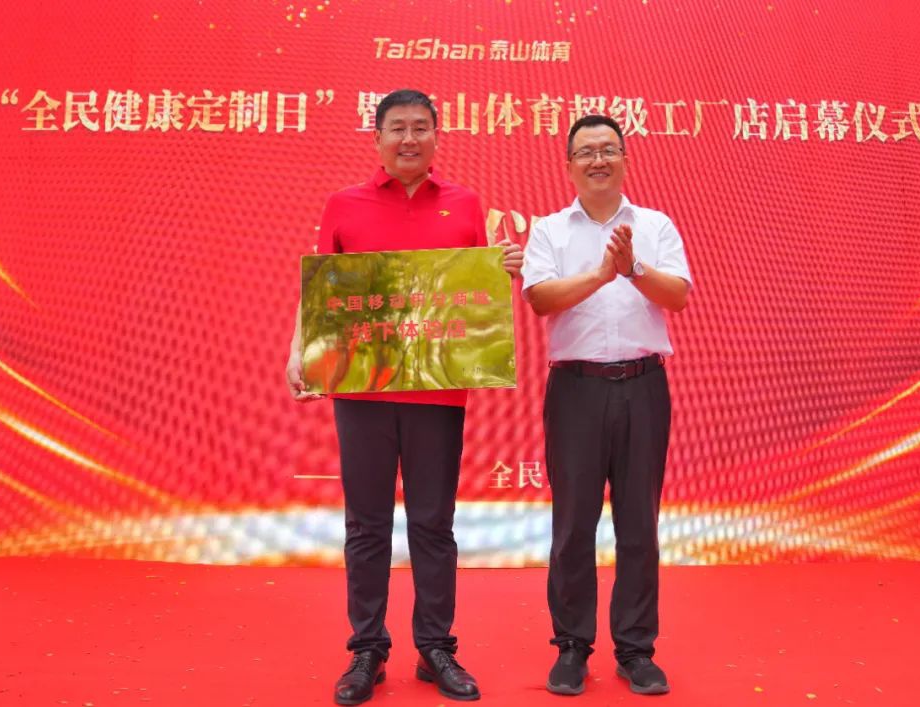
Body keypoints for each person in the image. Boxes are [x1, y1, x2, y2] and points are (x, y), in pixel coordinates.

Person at [286, 88, 523, 705]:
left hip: (438, 391)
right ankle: (367, 648)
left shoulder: (465, 204)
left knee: (432, 523)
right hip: (363, 389)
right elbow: (321, 292)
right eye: (398, 128)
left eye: (421, 127)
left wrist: (502, 270)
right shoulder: (344, 204)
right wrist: (298, 350)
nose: (409, 138)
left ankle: (436, 646)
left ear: (437, 137)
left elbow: (474, 297)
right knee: (366, 523)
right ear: (377, 138)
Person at [520, 114, 692, 696]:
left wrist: (633, 268)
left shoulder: (655, 225)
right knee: (573, 525)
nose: (599, 160)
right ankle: (572, 646)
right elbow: (541, 299)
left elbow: (679, 295)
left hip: (644, 386)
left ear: (625, 159)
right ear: (568, 165)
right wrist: (601, 274)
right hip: (576, 389)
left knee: (639, 523)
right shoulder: (550, 230)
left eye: (609, 150)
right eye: (586, 152)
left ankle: (636, 649)